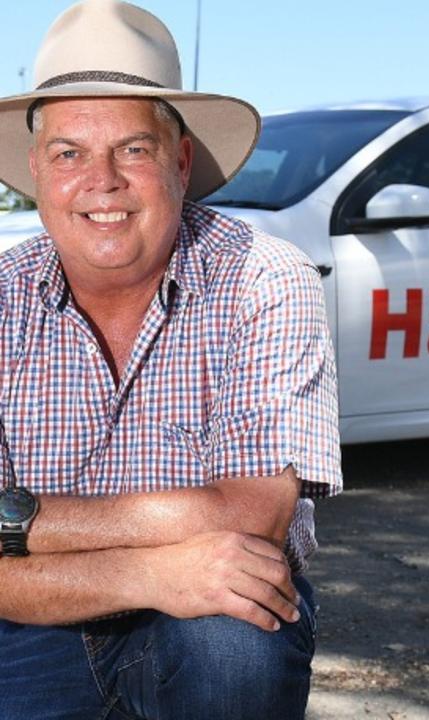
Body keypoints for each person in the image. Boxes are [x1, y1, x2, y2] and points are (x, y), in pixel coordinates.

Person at [0, 1, 341, 717]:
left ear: (180, 162)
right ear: (35, 172)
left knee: (234, 641)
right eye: (69, 153)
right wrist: (153, 569)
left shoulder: (263, 276)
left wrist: (20, 522)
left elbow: (252, 519)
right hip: (33, 615)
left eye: (133, 149)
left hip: (204, 607)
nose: (102, 180)